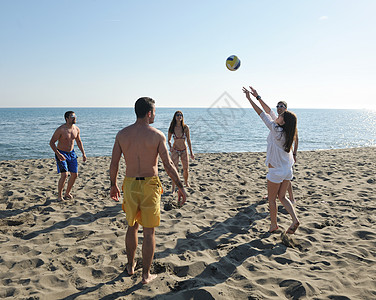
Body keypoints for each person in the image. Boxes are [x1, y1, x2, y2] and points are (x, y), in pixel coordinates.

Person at [110, 97, 187, 284]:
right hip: (150, 184)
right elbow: (168, 165)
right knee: (149, 231)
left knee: (132, 226)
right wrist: (180, 187)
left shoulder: (122, 134)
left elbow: (114, 163)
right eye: (155, 111)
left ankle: (130, 266)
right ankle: (145, 275)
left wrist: (113, 184)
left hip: (129, 184)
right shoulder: (157, 135)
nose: (155, 114)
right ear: (149, 113)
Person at [242, 86, 300, 234]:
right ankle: (294, 219)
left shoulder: (275, 129)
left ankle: (273, 225)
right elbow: (269, 111)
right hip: (287, 170)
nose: (277, 116)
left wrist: (249, 99)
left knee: (272, 199)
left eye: (280, 116)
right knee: (283, 197)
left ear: (283, 121)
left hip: (276, 171)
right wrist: (258, 96)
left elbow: (262, 113)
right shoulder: (287, 131)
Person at [262, 100, 299, 204]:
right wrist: (257, 97)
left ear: (285, 109)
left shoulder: (289, 122)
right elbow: (269, 111)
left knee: (285, 176)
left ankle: (291, 198)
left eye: (281, 106)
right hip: (280, 152)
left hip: (286, 153)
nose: (279, 107)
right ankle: (275, 194)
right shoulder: (278, 120)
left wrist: (295, 154)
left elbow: (296, 139)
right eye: (277, 106)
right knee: (282, 175)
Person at [50, 111, 86, 201]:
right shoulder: (61, 130)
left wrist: (83, 153)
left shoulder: (76, 129)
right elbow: (51, 143)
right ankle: (59, 196)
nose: (75, 118)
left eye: (75, 116)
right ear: (67, 119)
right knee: (65, 175)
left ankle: (67, 193)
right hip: (61, 153)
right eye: (72, 117)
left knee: (74, 174)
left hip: (72, 153)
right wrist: (58, 154)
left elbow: (78, 141)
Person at [167, 111, 195, 191]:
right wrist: (170, 147)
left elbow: (189, 140)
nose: (179, 116)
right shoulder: (172, 127)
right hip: (175, 150)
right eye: (177, 115)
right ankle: (173, 187)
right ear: (175, 117)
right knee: (174, 169)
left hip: (184, 150)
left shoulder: (185, 128)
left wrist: (191, 153)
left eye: (180, 115)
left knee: (186, 168)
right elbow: (168, 140)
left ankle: (186, 182)